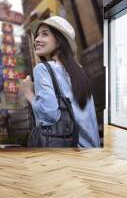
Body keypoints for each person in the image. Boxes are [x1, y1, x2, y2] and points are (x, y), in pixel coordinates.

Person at [19, 16, 100, 148]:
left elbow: (49, 115)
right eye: (37, 35)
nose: (37, 40)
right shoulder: (80, 73)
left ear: (59, 41)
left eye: (45, 34)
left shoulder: (42, 69)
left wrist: (28, 93)